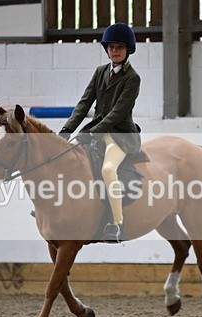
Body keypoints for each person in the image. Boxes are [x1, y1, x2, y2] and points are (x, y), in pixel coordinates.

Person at [59, 23, 142, 243]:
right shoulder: (100, 72)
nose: (115, 51)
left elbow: (117, 113)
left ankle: (116, 223)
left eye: (120, 47)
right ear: (107, 49)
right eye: (112, 47)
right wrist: (67, 130)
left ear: (128, 50)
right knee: (69, 161)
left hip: (120, 135)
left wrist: (92, 133)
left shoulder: (132, 78)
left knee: (107, 170)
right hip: (96, 131)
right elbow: (84, 103)